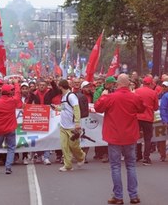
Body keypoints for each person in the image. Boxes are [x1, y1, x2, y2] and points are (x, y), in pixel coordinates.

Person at [94, 74, 144, 204]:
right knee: (131, 165)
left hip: (114, 136)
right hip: (130, 135)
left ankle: (118, 196)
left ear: (117, 84)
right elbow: (141, 108)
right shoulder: (134, 96)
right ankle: (133, 195)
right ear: (128, 84)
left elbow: (97, 107)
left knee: (115, 166)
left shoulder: (110, 97)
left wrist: (104, 95)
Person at [51, 79, 86, 172]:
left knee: (74, 146)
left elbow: (76, 109)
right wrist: (56, 107)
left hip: (72, 126)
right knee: (64, 146)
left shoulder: (71, 96)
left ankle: (81, 156)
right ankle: (68, 165)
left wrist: (77, 123)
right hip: (63, 125)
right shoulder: (64, 96)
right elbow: (64, 107)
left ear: (61, 87)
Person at [0, 80, 20, 174]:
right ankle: (8, 167)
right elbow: (18, 93)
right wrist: (16, 83)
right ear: (10, 92)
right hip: (10, 128)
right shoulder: (13, 101)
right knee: (11, 148)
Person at [134, 76, 158, 165]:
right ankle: (146, 158)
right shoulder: (153, 93)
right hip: (148, 118)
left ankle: (137, 155)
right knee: (147, 138)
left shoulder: (136, 91)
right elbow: (155, 108)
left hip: (137, 117)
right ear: (151, 83)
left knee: (136, 137)